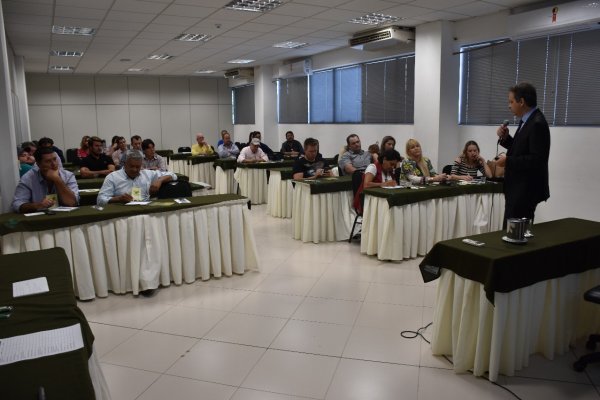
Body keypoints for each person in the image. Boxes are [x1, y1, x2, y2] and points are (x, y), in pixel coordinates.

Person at [496, 82, 550, 222]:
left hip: (525, 189)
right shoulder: (527, 120)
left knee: (516, 231)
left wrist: (508, 161)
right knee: (510, 228)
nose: (509, 106)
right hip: (517, 187)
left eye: (511, 102)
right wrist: (506, 138)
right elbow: (521, 148)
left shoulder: (537, 123)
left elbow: (537, 160)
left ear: (521, 102)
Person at [97, 150, 176, 206]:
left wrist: (160, 180)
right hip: (123, 214)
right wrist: (118, 199)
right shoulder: (112, 177)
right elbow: (100, 200)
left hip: (145, 211)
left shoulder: (147, 174)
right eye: (131, 166)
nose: (134, 170)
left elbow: (173, 175)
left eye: (138, 167)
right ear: (124, 164)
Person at [12, 147, 79, 213]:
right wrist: (39, 205)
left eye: (55, 159)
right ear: (38, 164)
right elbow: (17, 204)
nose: (54, 164)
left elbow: (72, 203)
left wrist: (57, 179)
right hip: (38, 218)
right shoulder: (28, 178)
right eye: (48, 161)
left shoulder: (68, 176)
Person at [353, 149, 403, 214]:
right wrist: (384, 184)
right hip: (369, 201)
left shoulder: (390, 171)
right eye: (391, 164)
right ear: (384, 159)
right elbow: (366, 185)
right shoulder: (372, 167)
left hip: (383, 201)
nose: (393, 167)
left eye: (394, 165)